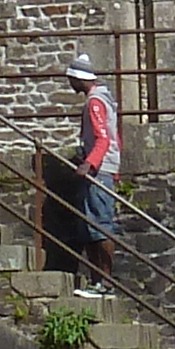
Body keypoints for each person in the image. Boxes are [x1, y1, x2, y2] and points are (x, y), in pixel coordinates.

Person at [64, 60, 120, 293]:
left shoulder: (95, 102)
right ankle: (99, 281)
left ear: (79, 78)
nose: (70, 84)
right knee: (92, 224)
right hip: (104, 168)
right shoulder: (101, 100)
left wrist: (89, 163)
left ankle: (105, 282)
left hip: (98, 171)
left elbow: (103, 138)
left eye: (71, 79)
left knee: (99, 225)